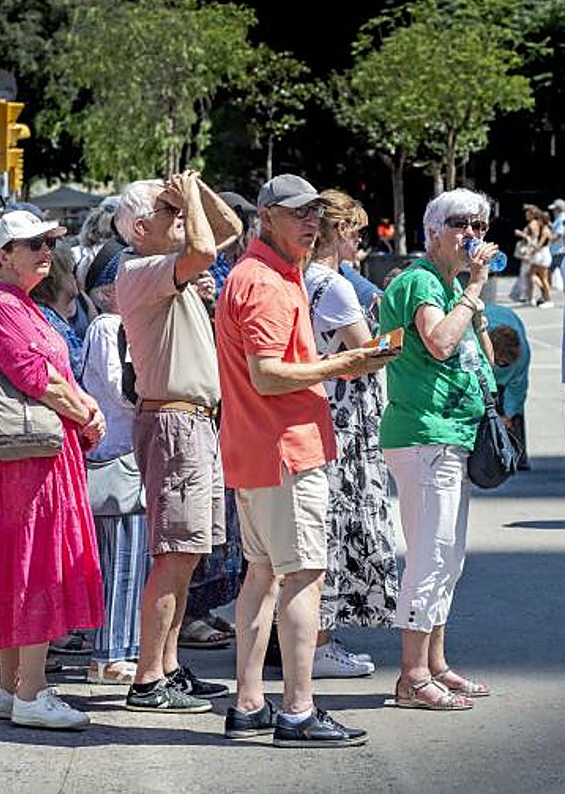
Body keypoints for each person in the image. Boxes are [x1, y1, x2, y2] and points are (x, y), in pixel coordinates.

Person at [216, 173, 387, 747]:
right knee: (302, 576)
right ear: (267, 216)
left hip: (260, 451)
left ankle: (249, 704)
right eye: (298, 214)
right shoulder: (265, 281)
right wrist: (342, 365)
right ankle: (297, 710)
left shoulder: (266, 274)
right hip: (283, 450)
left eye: (316, 213)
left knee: (264, 574)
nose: (311, 223)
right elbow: (267, 375)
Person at [0, 210, 106, 729]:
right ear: (3, 254)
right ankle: (32, 692)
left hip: (29, 456)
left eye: (47, 242)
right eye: (31, 243)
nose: (44, 251)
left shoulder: (16, 304)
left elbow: (46, 373)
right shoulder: (1, 304)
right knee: (36, 564)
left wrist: (81, 406)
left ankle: (15, 689)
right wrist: (85, 410)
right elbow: (36, 375)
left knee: (22, 562)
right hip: (25, 461)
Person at [114, 173, 235, 713]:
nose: (181, 216)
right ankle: (146, 679)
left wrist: (194, 187)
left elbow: (228, 226)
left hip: (194, 421)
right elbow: (209, 248)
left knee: (187, 554)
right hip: (173, 422)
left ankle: (166, 665)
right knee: (173, 553)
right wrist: (186, 197)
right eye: (168, 210)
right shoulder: (139, 269)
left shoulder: (167, 268)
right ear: (141, 228)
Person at [380, 188, 500, 711]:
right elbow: (438, 343)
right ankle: (411, 676)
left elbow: (481, 355)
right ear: (432, 230)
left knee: (449, 559)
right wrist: (474, 288)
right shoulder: (421, 281)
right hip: (423, 435)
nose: (470, 231)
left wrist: (474, 300)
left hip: (454, 436)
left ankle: (435, 664)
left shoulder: (451, 286)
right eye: (458, 222)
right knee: (429, 557)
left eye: (479, 222)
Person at [303, 189, 398, 676]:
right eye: (356, 231)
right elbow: (365, 354)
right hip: (344, 417)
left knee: (317, 532)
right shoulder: (335, 286)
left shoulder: (302, 278)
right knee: (334, 533)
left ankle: (312, 641)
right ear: (338, 232)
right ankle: (318, 644)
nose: (360, 241)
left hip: (321, 408)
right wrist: (393, 335)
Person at [78, 243, 147, 684]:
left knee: (130, 560)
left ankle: (119, 647)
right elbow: (124, 391)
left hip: (126, 456)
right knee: (121, 560)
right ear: (109, 288)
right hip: (114, 458)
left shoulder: (119, 325)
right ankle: (111, 653)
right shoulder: (108, 327)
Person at [30, 248, 92, 381]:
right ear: (53, 279)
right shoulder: (45, 320)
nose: (74, 276)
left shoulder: (83, 301)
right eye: (69, 272)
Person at [484, 303, 530, 470]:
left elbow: (518, 389)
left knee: (514, 411)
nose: (501, 365)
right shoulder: (477, 340)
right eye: (499, 362)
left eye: (505, 363)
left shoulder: (523, 355)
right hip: (486, 325)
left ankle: (518, 456)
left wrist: (508, 415)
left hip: (508, 321)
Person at [515, 204, 553, 307]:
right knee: (534, 275)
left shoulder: (545, 230)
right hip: (542, 254)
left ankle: (548, 299)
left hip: (543, 255)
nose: (538, 221)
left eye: (539, 219)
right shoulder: (545, 229)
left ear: (543, 220)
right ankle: (538, 297)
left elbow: (539, 245)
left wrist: (530, 251)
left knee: (542, 278)